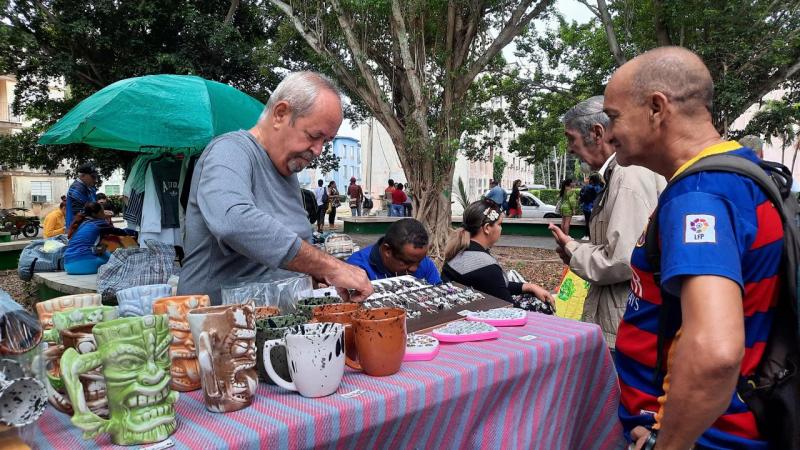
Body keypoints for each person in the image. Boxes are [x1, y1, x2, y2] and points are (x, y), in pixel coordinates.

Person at [605, 47, 783, 449]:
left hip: (707, 437)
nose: (610, 132)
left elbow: (715, 352)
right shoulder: (742, 173)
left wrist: (666, 442)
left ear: (656, 108)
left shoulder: (699, 196)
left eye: (614, 116)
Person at [178, 71, 372, 305]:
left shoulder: (287, 171)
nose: (319, 150)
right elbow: (234, 221)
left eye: (326, 142)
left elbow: (292, 251)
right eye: (314, 136)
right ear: (281, 114)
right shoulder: (229, 151)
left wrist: (317, 275)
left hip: (274, 327)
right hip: (219, 330)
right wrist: (329, 267)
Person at [549, 95, 665, 350]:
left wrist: (573, 249)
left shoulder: (628, 176)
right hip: (618, 318)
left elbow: (622, 260)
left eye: (571, 138)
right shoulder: (618, 174)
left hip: (625, 326)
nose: (569, 148)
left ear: (597, 132)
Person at [443, 199, 554, 304]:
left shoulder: (458, 251)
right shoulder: (485, 265)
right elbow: (510, 309)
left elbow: (495, 286)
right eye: (499, 224)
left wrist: (530, 287)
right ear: (487, 228)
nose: (501, 228)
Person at [346, 218, 441, 284]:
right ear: (387, 251)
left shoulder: (425, 263)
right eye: (407, 262)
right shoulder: (356, 268)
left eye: (419, 261)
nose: (414, 269)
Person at [64, 202, 128, 275]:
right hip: (83, 264)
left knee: (102, 249)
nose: (104, 213)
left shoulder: (82, 223)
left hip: (68, 265)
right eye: (102, 211)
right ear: (95, 214)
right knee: (117, 262)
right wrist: (136, 233)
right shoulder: (98, 223)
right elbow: (120, 232)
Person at [65, 164, 98, 230]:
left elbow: (94, 206)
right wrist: (100, 214)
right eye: (93, 177)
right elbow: (80, 214)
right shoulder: (76, 189)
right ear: (82, 175)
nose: (95, 180)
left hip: (86, 226)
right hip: (78, 228)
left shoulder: (88, 188)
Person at [578, 173, 603, 237]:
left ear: (592, 180)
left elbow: (583, 196)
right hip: (598, 208)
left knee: (588, 222)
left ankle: (587, 235)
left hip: (588, 208)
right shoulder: (601, 187)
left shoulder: (588, 187)